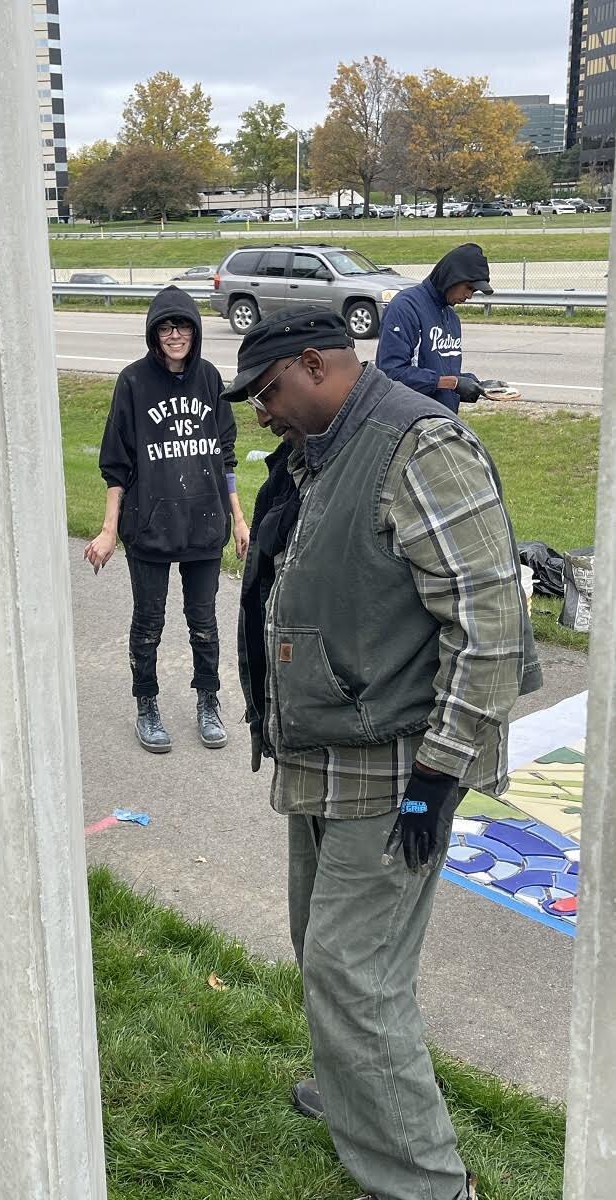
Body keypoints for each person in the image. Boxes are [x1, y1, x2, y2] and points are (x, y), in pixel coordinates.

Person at [226, 307, 542, 1200]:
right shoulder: (322, 450)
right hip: (325, 751)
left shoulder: (420, 448)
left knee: (353, 972)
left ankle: (429, 1183)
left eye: (269, 391)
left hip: (397, 766)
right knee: (322, 949)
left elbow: (487, 627)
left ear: (319, 364)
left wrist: (436, 781)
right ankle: (359, 1091)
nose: (261, 412)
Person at [85, 286, 249, 754]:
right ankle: (147, 703)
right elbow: (116, 464)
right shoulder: (133, 382)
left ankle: (208, 700)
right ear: (154, 334)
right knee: (148, 623)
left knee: (204, 622)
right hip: (150, 527)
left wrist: (238, 519)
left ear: (195, 332)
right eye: (165, 327)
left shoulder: (211, 379)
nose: (175, 335)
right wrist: (108, 529)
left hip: (203, 523)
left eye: (182, 327)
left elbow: (226, 457)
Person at [376, 242, 506, 413]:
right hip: (410, 419)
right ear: (452, 277)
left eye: (474, 291)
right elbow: (390, 373)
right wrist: (453, 384)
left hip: (442, 418)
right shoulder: (405, 307)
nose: (469, 296)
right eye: (469, 288)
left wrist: (474, 384)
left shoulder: (452, 317)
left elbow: (441, 372)